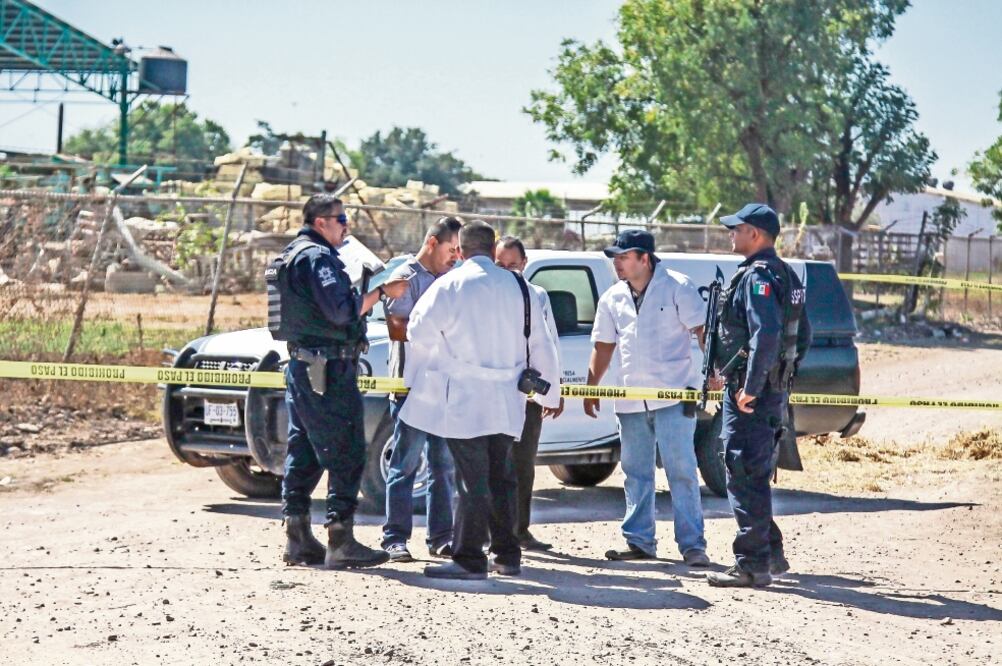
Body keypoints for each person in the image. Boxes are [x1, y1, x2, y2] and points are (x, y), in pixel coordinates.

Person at [400, 220, 561, 580]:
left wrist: (446, 356)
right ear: (493, 250)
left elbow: (418, 331)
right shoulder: (522, 287)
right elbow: (542, 341)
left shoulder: (450, 285)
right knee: (503, 475)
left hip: (465, 396)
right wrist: (552, 390)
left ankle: (470, 557)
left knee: (471, 479)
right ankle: (507, 554)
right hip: (508, 398)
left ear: (459, 251)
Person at [269, 193, 407, 569]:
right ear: (320, 222)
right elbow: (342, 311)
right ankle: (340, 540)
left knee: (306, 451)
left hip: (305, 367)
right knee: (347, 450)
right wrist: (381, 292)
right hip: (327, 370)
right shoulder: (317, 258)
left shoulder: (292, 254)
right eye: (341, 218)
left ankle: (298, 539)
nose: (346, 225)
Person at [584, 229, 710, 567]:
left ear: (645, 258)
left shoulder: (678, 287)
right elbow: (604, 345)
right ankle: (639, 541)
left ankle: (693, 546)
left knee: (681, 470)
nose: (617, 264)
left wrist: (713, 370)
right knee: (635, 471)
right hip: (629, 399)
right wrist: (591, 385)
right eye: (615, 258)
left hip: (674, 396)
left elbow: (702, 331)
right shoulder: (612, 298)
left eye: (623, 257)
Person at [706, 203, 811, 588]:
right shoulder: (786, 275)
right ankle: (771, 552)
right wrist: (779, 379)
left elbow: (765, 333)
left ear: (755, 234)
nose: (731, 235)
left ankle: (752, 564)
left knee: (743, 474)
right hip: (771, 392)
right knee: (754, 474)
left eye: (737, 229)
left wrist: (750, 386)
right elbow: (804, 337)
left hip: (751, 396)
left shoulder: (756, 277)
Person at [380, 217, 463, 562]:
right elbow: (397, 327)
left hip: (443, 385)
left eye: (459, 249)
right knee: (404, 464)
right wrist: (440, 328)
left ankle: (441, 538)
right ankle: (394, 538)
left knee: (443, 467)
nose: (456, 256)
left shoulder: (454, 279)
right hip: (409, 386)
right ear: (432, 243)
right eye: (451, 248)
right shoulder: (405, 278)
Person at [495, 235, 564, 551]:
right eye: (500, 264)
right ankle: (489, 533)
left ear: (524, 264)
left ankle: (520, 530)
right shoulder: (485, 295)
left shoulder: (537, 296)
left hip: (526, 393)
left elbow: (549, 343)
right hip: (491, 392)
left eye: (513, 264)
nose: (508, 270)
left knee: (523, 464)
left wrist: (553, 390)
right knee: (491, 465)